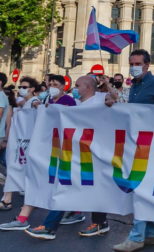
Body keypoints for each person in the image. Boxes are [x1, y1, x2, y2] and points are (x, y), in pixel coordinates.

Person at [101, 50, 154, 251]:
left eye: (137, 63)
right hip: (137, 144)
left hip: (152, 145)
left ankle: (136, 237)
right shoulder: (133, 85)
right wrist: (113, 104)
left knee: (140, 188)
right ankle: (151, 233)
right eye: (131, 63)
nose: (133, 66)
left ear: (147, 65)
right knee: (142, 189)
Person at [20, 76, 109, 240]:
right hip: (77, 153)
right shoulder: (79, 104)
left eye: (77, 85)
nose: (74, 89)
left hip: (94, 154)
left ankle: (53, 227)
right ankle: (54, 226)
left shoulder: (100, 99)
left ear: (88, 87)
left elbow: (115, 100)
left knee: (88, 187)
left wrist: (109, 87)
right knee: (68, 185)